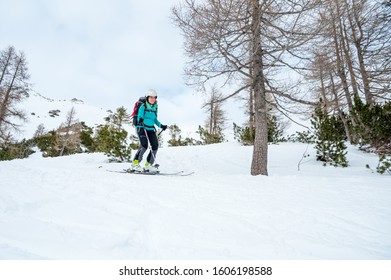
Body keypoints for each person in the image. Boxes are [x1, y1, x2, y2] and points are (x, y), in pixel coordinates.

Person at [131, 89, 167, 172]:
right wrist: (140, 119)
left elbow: (155, 120)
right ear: (147, 98)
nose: (152, 99)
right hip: (142, 127)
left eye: (154, 97)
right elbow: (140, 114)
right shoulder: (143, 106)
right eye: (151, 97)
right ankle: (135, 164)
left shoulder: (155, 108)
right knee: (144, 145)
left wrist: (161, 126)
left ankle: (148, 165)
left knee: (155, 146)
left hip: (151, 129)